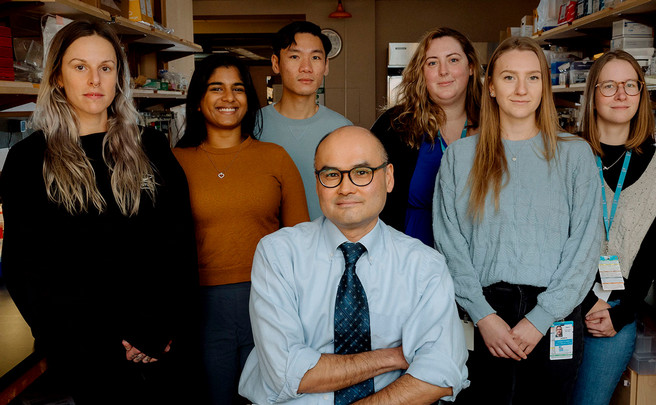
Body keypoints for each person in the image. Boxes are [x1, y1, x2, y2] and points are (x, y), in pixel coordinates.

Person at [0, 21, 198, 404]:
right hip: (85, 355)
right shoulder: (29, 160)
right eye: (80, 67)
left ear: (118, 77)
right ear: (58, 76)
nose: (95, 79)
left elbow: (179, 246)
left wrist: (163, 330)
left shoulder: (151, 147)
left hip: (163, 348)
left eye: (105, 68)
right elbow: (27, 271)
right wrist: (106, 344)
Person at [238, 126, 468, 404]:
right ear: (317, 184)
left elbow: (441, 373)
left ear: (388, 177)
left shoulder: (424, 266)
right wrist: (394, 356)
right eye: (331, 175)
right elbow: (288, 373)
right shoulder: (278, 254)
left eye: (361, 173)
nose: (345, 188)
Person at [433, 37, 603, 404]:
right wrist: (483, 317)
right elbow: (449, 244)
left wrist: (541, 319)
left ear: (545, 84)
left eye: (533, 78)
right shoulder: (460, 158)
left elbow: (586, 246)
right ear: (491, 87)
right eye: (509, 78)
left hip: (554, 315)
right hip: (483, 314)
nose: (522, 89)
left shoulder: (575, 156)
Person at [174, 53, 310, 405]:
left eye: (238, 89)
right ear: (199, 101)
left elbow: (302, 245)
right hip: (200, 307)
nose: (228, 98)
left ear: (249, 99)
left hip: (269, 302)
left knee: (270, 399)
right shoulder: (174, 163)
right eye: (216, 88)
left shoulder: (275, 157)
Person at [571, 51, 656, 405]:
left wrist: (618, 314)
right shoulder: (566, 154)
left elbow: (651, 253)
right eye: (609, 85)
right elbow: (551, 239)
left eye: (630, 85)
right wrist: (589, 302)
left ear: (641, 94)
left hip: (616, 314)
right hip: (561, 307)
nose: (621, 95)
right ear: (593, 94)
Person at [370, 27, 482, 246]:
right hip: (409, 255)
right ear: (422, 72)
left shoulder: (496, 125)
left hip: (478, 254)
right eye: (432, 63)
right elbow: (368, 192)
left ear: (470, 67)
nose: (443, 71)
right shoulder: (394, 125)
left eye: (453, 60)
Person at [258, 21, 352, 220]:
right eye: (294, 56)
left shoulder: (342, 130)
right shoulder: (254, 126)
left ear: (326, 66)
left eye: (316, 57)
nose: (306, 67)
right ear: (276, 63)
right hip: (266, 245)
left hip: (327, 244)